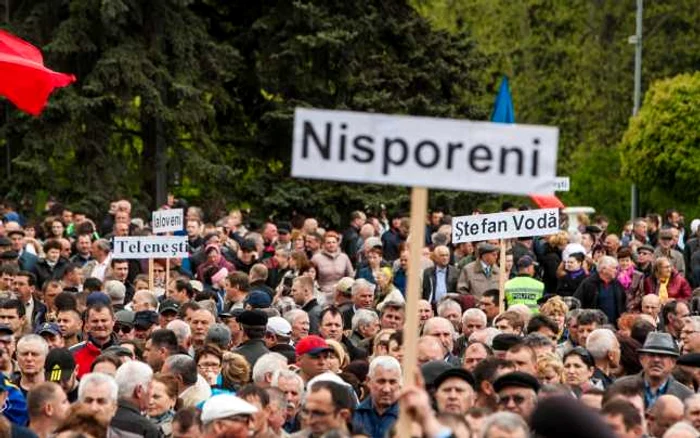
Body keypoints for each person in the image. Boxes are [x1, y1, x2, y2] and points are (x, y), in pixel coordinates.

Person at [616, 332, 692, 408]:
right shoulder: (620, 387)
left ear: (673, 362)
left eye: (662, 356)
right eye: (651, 355)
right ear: (641, 359)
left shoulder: (685, 396)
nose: (656, 360)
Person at [353, 356, 401, 438]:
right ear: (368, 381)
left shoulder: (409, 417)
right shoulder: (356, 415)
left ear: (400, 383)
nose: (386, 389)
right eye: (381, 381)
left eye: (392, 382)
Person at [111, 360, 161, 438]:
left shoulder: (99, 418)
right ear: (139, 391)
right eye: (150, 387)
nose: (151, 393)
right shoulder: (146, 429)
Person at [574, 256, 626, 325]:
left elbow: (622, 302)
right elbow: (577, 302)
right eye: (614, 268)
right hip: (593, 324)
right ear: (603, 269)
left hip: (614, 325)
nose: (616, 271)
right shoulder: (588, 283)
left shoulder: (617, 284)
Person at [70, 303, 118, 378]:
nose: (100, 325)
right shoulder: (72, 353)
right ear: (87, 325)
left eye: (104, 320)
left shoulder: (125, 351)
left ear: (113, 322)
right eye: (95, 321)